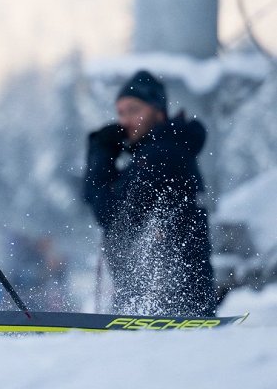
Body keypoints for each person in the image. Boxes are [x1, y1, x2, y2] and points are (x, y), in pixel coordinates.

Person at [83, 70, 215, 316]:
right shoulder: (168, 150)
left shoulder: (160, 155)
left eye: (133, 110)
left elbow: (111, 214)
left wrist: (100, 152)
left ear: (158, 111)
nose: (124, 121)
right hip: (171, 307)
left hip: (166, 310)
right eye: (120, 113)